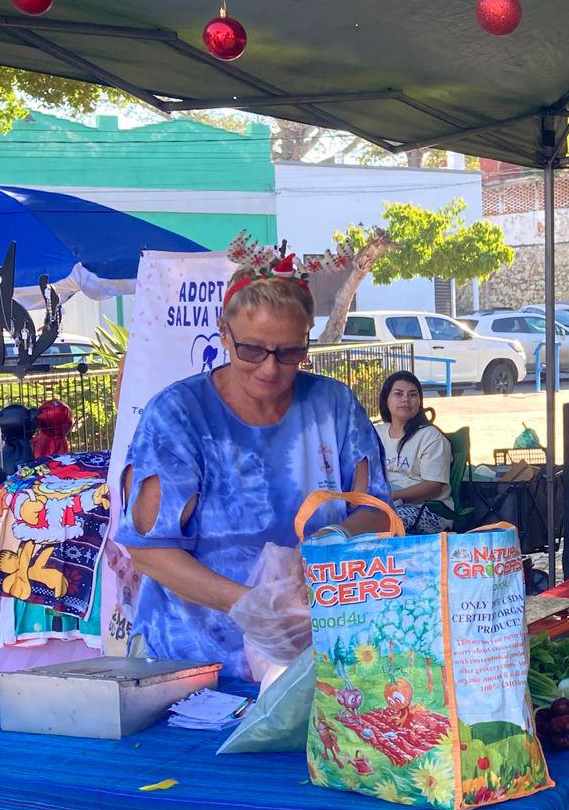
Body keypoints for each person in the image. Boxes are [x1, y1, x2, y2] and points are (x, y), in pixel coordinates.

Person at [116, 260, 392, 680]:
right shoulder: (177, 415)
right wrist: (247, 604)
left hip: (317, 657)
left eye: (290, 352)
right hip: (190, 662)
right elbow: (149, 549)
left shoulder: (334, 407)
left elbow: (377, 510)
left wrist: (331, 540)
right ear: (223, 333)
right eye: (252, 350)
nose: (270, 368)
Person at [374, 371, 454, 534]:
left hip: (428, 509)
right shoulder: (376, 433)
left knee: (382, 523)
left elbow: (433, 487)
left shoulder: (430, 437)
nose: (406, 399)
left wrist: (392, 496)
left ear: (419, 401)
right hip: (384, 503)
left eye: (412, 395)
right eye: (398, 394)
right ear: (386, 400)